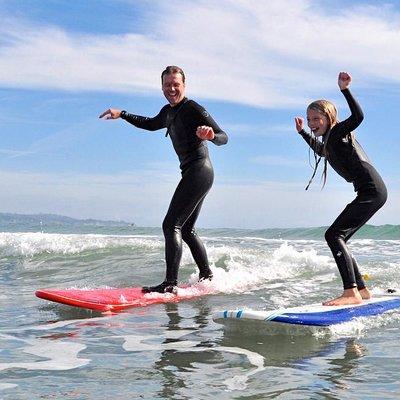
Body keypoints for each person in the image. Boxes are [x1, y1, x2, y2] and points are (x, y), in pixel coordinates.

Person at [99, 66, 228, 293]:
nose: (171, 88)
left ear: (184, 86)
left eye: (176, 84)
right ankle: (207, 276)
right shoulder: (168, 112)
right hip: (192, 173)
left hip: (200, 170)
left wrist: (211, 136)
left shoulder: (193, 108)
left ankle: (170, 284)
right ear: (162, 87)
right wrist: (123, 114)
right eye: (167, 84)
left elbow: (223, 137)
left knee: (171, 224)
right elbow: (149, 123)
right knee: (186, 229)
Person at [294, 72, 387, 306]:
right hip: (371, 191)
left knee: (333, 235)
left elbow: (358, 116)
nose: (313, 123)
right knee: (340, 238)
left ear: (328, 118)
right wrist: (303, 133)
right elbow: (320, 150)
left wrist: (345, 89)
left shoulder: (337, 132)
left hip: (372, 190)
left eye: (316, 119)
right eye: (309, 119)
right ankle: (362, 290)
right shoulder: (330, 141)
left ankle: (351, 292)